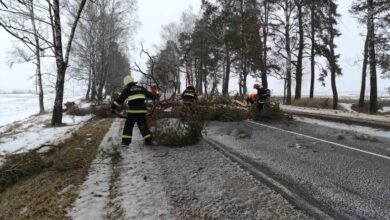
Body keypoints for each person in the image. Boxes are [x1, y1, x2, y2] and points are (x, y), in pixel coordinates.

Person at [111, 75, 153, 147]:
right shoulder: (141, 88)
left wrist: (113, 107)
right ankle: (148, 141)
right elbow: (150, 95)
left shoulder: (127, 89)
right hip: (142, 111)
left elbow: (120, 100)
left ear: (127, 83)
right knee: (143, 126)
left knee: (128, 126)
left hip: (133, 111)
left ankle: (125, 142)